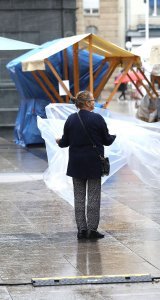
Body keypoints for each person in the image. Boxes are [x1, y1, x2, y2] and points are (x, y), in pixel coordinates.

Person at [56, 90, 116, 240]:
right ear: (87, 103)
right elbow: (107, 140)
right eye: (93, 100)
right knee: (94, 197)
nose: (94, 102)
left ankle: (81, 230)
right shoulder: (97, 119)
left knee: (79, 197)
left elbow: (64, 142)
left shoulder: (71, 119)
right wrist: (115, 135)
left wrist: (58, 141)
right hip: (94, 163)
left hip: (76, 164)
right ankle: (92, 230)